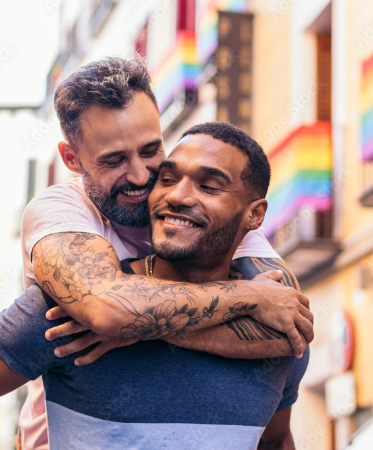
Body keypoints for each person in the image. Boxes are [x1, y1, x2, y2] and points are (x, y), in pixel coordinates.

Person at [19, 57, 313, 449]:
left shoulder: (199, 216)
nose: (141, 176)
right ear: (72, 159)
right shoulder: (60, 213)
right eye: (115, 160)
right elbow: (107, 309)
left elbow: (286, 328)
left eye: (150, 149)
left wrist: (139, 326)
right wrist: (248, 296)